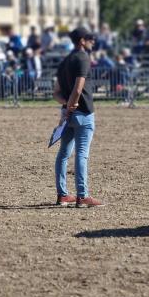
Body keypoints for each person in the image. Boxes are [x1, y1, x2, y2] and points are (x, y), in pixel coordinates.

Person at [52, 27, 103, 208]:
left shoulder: (65, 61)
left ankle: (62, 195)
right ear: (82, 40)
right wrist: (72, 106)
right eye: (91, 38)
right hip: (82, 114)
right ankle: (82, 196)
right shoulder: (83, 58)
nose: (93, 41)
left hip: (67, 116)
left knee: (63, 154)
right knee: (82, 154)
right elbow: (79, 87)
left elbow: (56, 93)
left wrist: (66, 107)